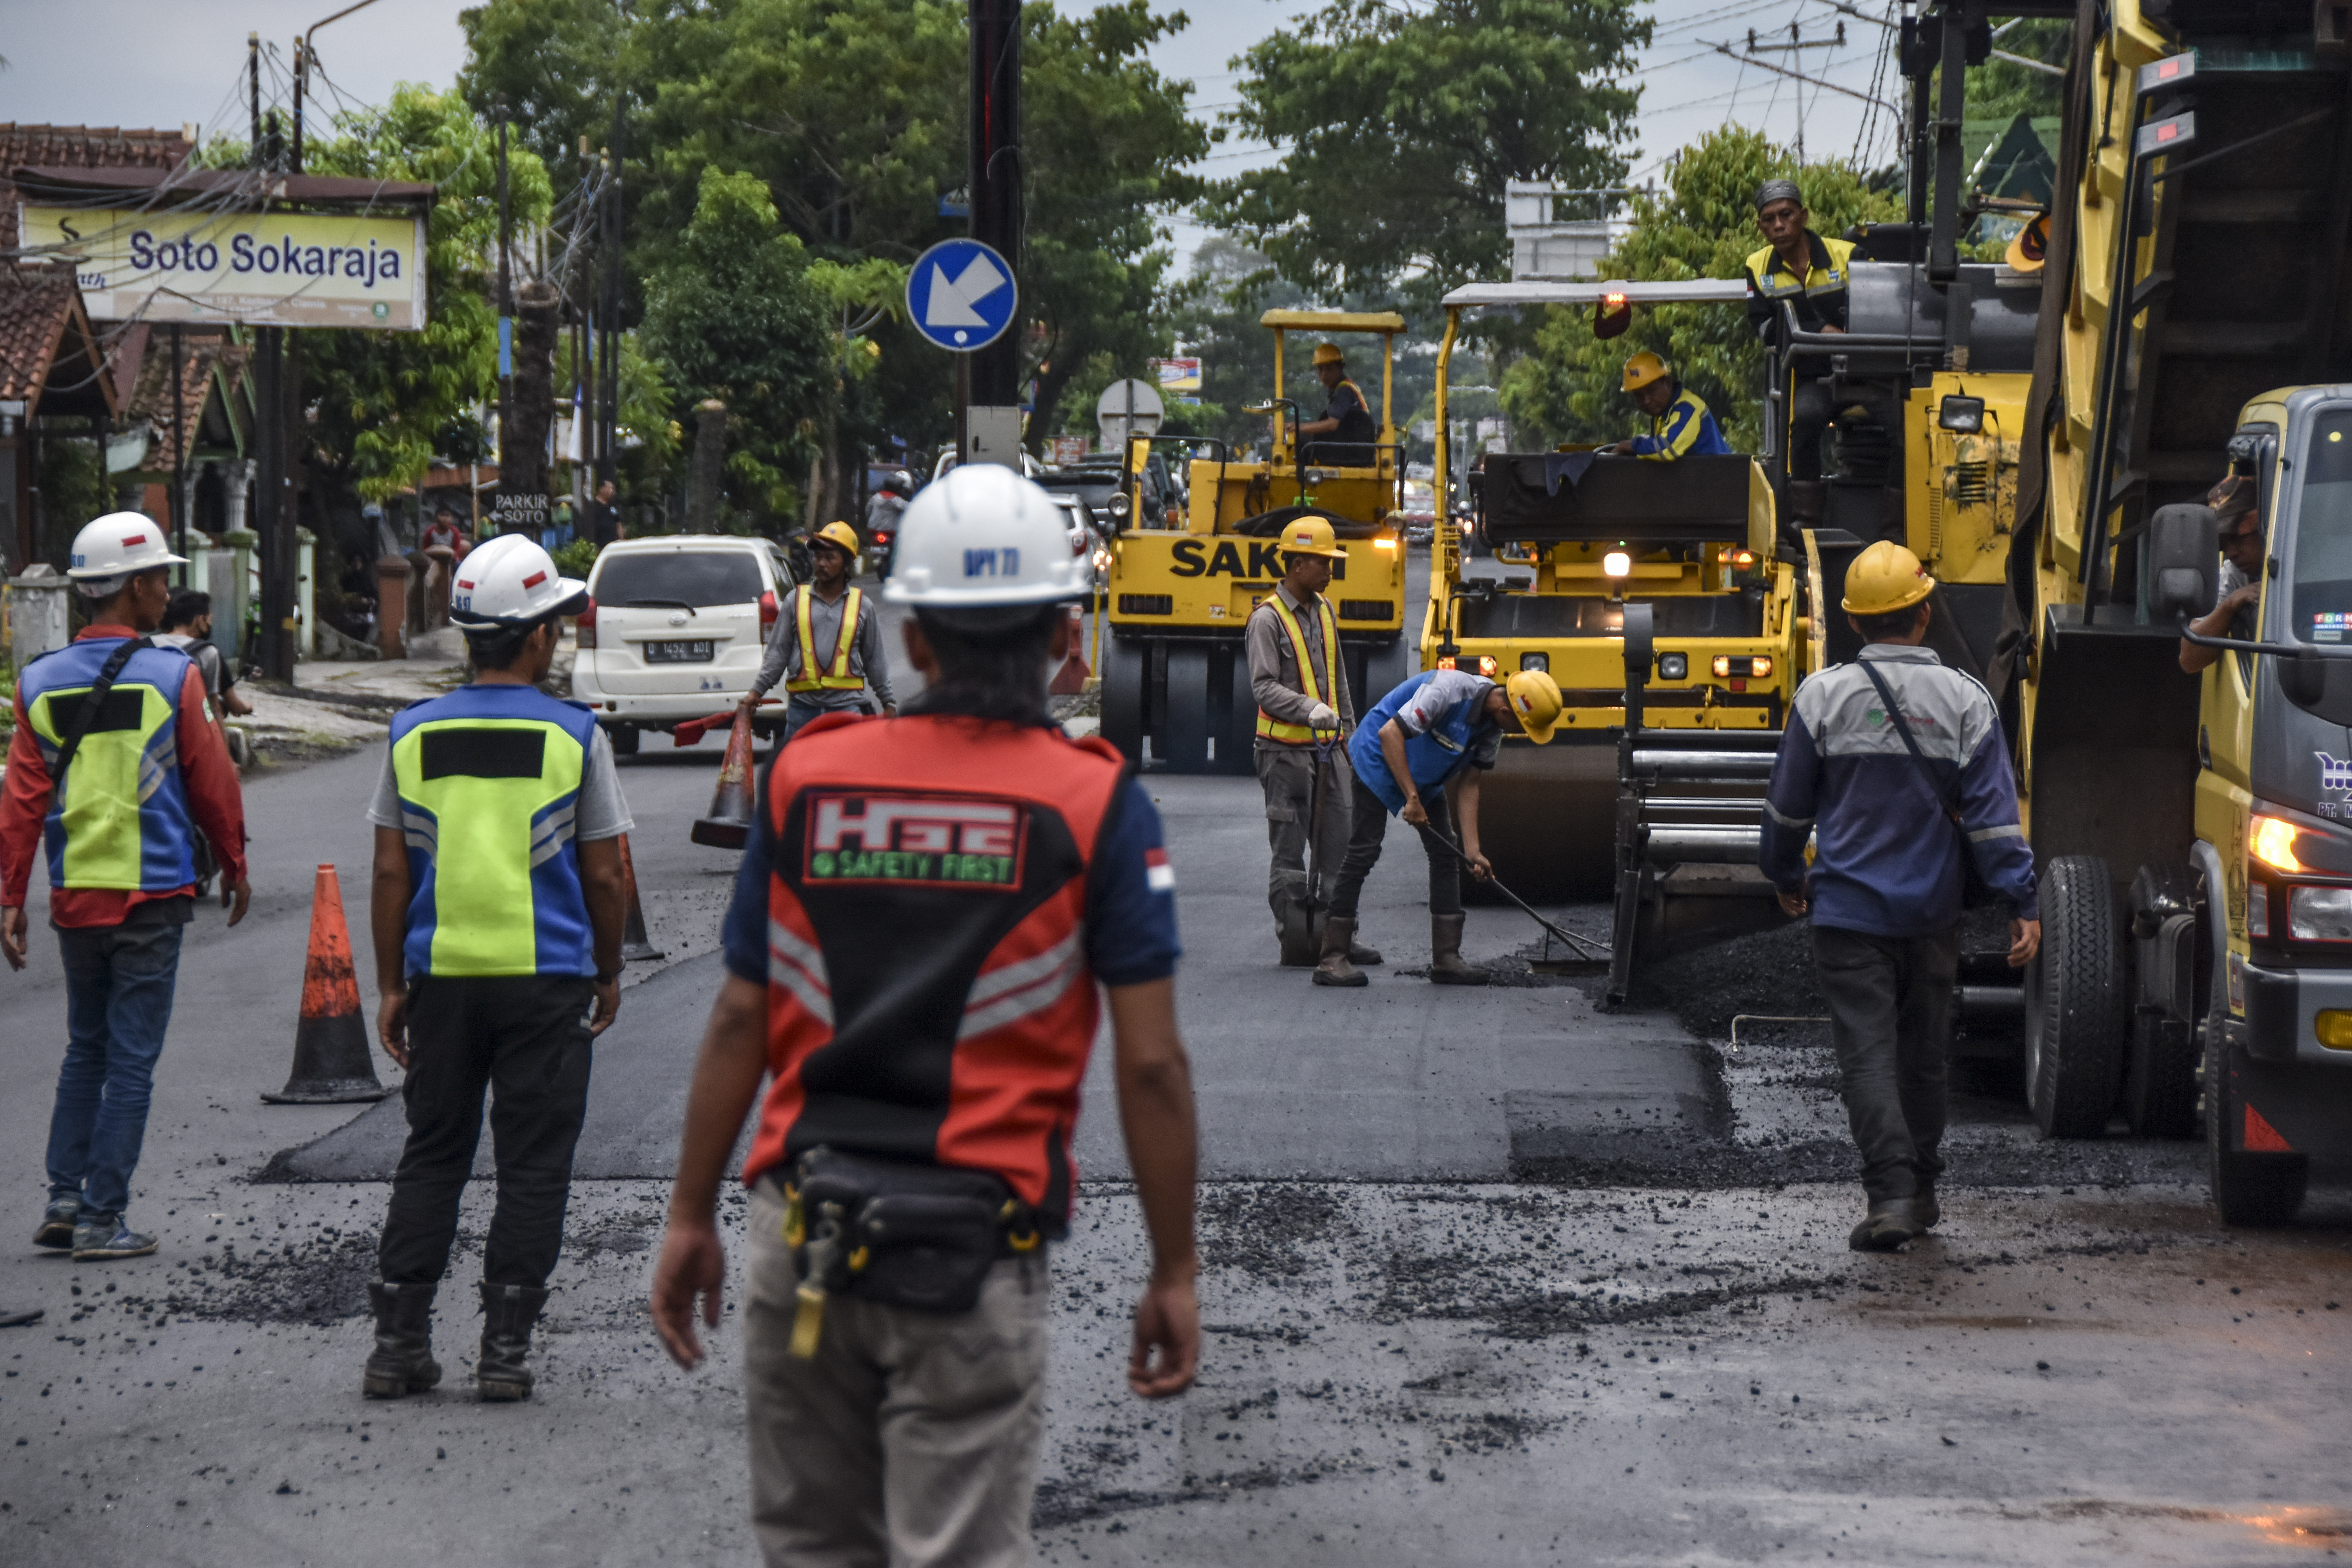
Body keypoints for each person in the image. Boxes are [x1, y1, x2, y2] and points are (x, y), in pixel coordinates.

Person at [650, 463, 1199, 1567]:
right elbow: (1151, 1070)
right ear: (1059, 635)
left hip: (799, 1242)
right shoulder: (1095, 803)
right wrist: (1173, 1270)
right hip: (972, 1261)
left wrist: (688, 1216)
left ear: (915, 639)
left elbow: (737, 1023)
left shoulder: (811, 782)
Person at [360, 534, 632, 1402]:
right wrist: (610, 967)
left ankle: (398, 1345)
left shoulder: (412, 732)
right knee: (533, 1164)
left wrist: (394, 984)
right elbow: (606, 870)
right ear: (538, 636)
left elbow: (391, 870)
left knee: (433, 1153)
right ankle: (504, 1351)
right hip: (547, 980)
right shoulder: (575, 734)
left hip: (441, 978)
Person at [1759, 541, 2041, 1252]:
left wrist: (1786, 875)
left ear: (1855, 623)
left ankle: (1890, 1195)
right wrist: (2022, 902)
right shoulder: (1968, 702)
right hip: (1932, 915)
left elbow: (1788, 812)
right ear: (1925, 613)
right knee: (1923, 1059)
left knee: (1868, 1058)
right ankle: (1921, 1191)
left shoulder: (1822, 698)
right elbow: (1995, 820)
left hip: (1849, 914)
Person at [1, 514, 251, 1264]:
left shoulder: (37, 683)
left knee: (88, 1048)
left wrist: (12, 897)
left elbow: (21, 801)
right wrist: (235, 861)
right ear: (137, 586)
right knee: (132, 1059)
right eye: (161, 578)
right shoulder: (176, 676)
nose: (167, 590)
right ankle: (102, 1220)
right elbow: (213, 782)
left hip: (77, 896)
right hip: (152, 894)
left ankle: (65, 1199)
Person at [1319, 663, 1565, 986]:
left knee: (1446, 852)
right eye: (1519, 725)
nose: (1517, 731)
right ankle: (1332, 957)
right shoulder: (1448, 691)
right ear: (1505, 709)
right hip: (1379, 758)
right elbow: (1388, 734)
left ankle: (1446, 958)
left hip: (1424, 776)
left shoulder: (1493, 728)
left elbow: (1470, 785)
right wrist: (1411, 798)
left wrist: (1473, 851)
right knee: (1365, 849)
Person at [1246, 515, 1376, 969]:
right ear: (1297, 564)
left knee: (1340, 848)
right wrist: (1307, 708)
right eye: (1324, 563)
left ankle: (1338, 936)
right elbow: (1263, 687)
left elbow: (1339, 682)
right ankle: (1297, 940)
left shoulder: (1325, 610)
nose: (1330, 571)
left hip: (1330, 752)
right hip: (1284, 755)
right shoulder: (1267, 620)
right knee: (1290, 854)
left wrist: (1353, 740)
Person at [1744, 179, 1861, 521]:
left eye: (1786, 215)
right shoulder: (1757, 267)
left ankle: (1895, 523)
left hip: (1864, 371)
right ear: (1760, 227)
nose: (1779, 225)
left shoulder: (1849, 256)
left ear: (1804, 216)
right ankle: (1807, 519)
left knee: (1904, 425)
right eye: (1769, 219)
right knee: (1805, 422)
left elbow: (1877, 312)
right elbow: (1766, 329)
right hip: (1813, 376)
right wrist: (1821, 332)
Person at [742, 519, 897, 741]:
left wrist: (888, 702)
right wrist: (755, 693)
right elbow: (777, 654)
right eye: (818, 557)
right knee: (799, 773)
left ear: (846, 564)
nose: (821, 564)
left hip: (847, 712)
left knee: (844, 774)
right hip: (802, 711)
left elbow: (875, 661)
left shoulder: (863, 606)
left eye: (830, 558)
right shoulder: (795, 601)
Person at [2180, 473, 2263, 673]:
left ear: (2264, 526)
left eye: (2237, 537)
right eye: (2224, 544)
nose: (2231, 553)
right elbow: (2190, 661)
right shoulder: (2235, 573)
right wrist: (2229, 606)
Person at [1609, 352, 1733, 461]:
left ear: (1667, 383)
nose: (1646, 400)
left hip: (1719, 482)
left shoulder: (1688, 408)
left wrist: (1630, 446)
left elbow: (1666, 449)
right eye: (1639, 396)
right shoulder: (1663, 413)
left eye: (1651, 391)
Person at [155, 588, 252, 723]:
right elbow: (214, 709)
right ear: (200, 620)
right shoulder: (207, 653)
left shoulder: (147, 646)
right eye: (209, 618)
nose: (211, 622)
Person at [1296, 343, 1378, 465]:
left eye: (1329, 369)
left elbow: (1332, 425)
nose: (1324, 374)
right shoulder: (1349, 387)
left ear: (1341, 368)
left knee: (1301, 437)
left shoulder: (1344, 391)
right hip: (1358, 450)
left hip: (1350, 449)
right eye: (1320, 369)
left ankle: (1303, 478)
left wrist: (1297, 427)